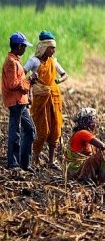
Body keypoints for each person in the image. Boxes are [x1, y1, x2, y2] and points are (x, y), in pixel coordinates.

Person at [26, 30, 68, 170]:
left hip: (54, 97)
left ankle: (51, 161)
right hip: (40, 97)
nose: (54, 50)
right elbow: (22, 75)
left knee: (55, 129)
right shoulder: (34, 61)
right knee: (42, 130)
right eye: (52, 48)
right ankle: (35, 158)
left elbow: (65, 74)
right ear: (44, 47)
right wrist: (31, 81)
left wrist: (58, 80)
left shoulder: (54, 61)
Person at [2, 32, 36, 174]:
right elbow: (12, 84)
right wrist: (29, 81)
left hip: (20, 102)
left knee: (29, 130)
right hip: (16, 102)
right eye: (24, 46)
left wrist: (29, 83)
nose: (25, 49)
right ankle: (14, 163)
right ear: (19, 46)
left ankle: (24, 163)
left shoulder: (15, 61)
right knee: (15, 132)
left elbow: (17, 82)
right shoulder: (11, 62)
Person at [65, 108, 105, 191]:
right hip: (78, 171)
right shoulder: (83, 133)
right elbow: (103, 146)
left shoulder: (78, 133)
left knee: (100, 153)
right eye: (93, 120)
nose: (95, 123)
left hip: (76, 171)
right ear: (88, 122)